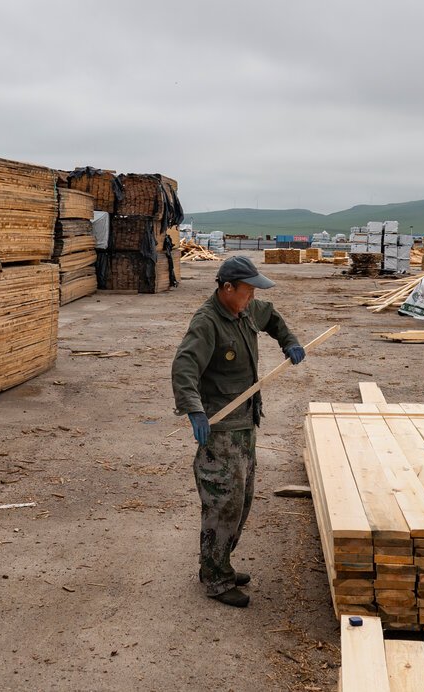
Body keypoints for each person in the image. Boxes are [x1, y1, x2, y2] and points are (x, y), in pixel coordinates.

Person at [172, 256, 305, 608]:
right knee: (222, 504)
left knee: (242, 502)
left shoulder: (245, 310)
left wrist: (287, 340)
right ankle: (215, 579)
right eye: (247, 290)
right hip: (220, 427)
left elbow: (272, 315)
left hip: (246, 422)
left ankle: (219, 563)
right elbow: (185, 366)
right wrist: (194, 409)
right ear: (227, 287)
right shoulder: (207, 322)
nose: (251, 297)